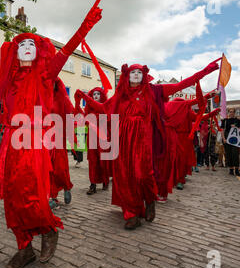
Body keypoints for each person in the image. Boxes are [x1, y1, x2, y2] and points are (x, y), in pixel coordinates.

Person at [0, 0, 103, 268]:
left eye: (32, 43)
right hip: (13, 146)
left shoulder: (45, 76)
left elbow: (66, 51)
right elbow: (7, 118)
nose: (27, 47)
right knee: (13, 200)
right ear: (14, 54)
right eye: (21, 44)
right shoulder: (11, 86)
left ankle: (49, 230)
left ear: (39, 52)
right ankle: (24, 248)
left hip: (37, 143)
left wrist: (85, 25)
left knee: (36, 196)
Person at [76, 60, 220, 228]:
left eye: (139, 72)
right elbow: (102, 108)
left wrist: (205, 71)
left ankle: (150, 200)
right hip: (122, 139)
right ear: (127, 76)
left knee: (143, 174)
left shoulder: (155, 90)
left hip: (143, 139)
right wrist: (84, 97)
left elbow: (182, 84)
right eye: (132, 72)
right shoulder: (121, 94)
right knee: (124, 176)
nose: (136, 75)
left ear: (144, 75)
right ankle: (132, 213)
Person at [78, 87, 110, 195]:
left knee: (103, 161)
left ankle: (105, 181)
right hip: (92, 137)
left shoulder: (105, 106)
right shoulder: (89, 108)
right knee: (92, 161)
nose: (96, 96)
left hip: (103, 137)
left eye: (98, 94)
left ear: (102, 96)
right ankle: (93, 185)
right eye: (94, 94)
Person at [48, 78, 74, 209]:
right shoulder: (42, 97)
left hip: (59, 137)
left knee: (60, 167)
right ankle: (53, 197)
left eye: (51, 81)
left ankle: (66, 186)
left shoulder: (62, 99)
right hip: (45, 138)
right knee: (48, 169)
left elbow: (71, 116)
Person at [221, 108, 240, 176]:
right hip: (227, 138)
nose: (231, 113)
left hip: (235, 139)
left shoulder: (237, 120)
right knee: (228, 154)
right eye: (230, 112)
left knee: (235, 154)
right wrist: (224, 138)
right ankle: (231, 169)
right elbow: (222, 130)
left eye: (233, 112)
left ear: (234, 113)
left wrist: (235, 127)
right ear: (228, 113)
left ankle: (237, 169)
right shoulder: (225, 120)